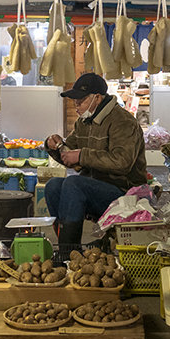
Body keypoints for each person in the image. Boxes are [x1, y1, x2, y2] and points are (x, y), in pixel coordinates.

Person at [45, 73, 148, 249]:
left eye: (80, 101)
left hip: (125, 193)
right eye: (75, 102)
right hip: (94, 188)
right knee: (53, 186)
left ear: (97, 98)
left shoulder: (122, 121)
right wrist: (55, 146)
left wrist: (82, 156)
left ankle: (68, 252)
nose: (76, 106)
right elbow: (69, 153)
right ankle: (68, 248)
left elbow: (122, 162)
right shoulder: (84, 122)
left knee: (74, 184)